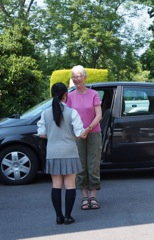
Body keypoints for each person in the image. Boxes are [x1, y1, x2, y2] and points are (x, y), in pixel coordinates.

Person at [37, 82, 86, 225]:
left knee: (56, 185)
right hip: (70, 152)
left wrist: (53, 136)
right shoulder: (72, 112)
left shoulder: (45, 113)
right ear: (66, 95)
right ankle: (68, 216)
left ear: (52, 94)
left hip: (52, 153)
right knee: (70, 185)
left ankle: (58, 217)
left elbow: (41, 133)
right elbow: (79, 133)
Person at [67, 65, 102, 210]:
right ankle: (84, 197)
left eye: (78, 76)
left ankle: (93, 196)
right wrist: (77, 132)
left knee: (93, 164)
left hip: (93, 132)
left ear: (85, 77)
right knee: (80, 165)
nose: (76, 79)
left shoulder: (94, 94)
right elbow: (68, 116)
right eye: (73, 76)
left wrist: (87, 129)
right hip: (77, 135)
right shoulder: (69, 96)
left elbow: (98, 115)